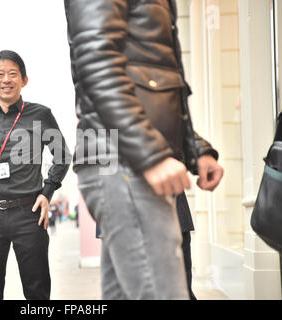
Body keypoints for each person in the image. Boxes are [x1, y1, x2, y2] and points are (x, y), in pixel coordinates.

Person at [64, 0, 224, 299]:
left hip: (131, 156)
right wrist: (151, 154)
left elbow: (156, 78)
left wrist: (194, 147)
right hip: (124, 159)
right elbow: (97, 64)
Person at [0, 50, 70, 300]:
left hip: (28, 214)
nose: (6, 79)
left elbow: (62, 156)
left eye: (12, 74)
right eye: (0, 74)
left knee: (37, 289)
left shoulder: (40, 114)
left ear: (24, 80)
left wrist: (47, 192)